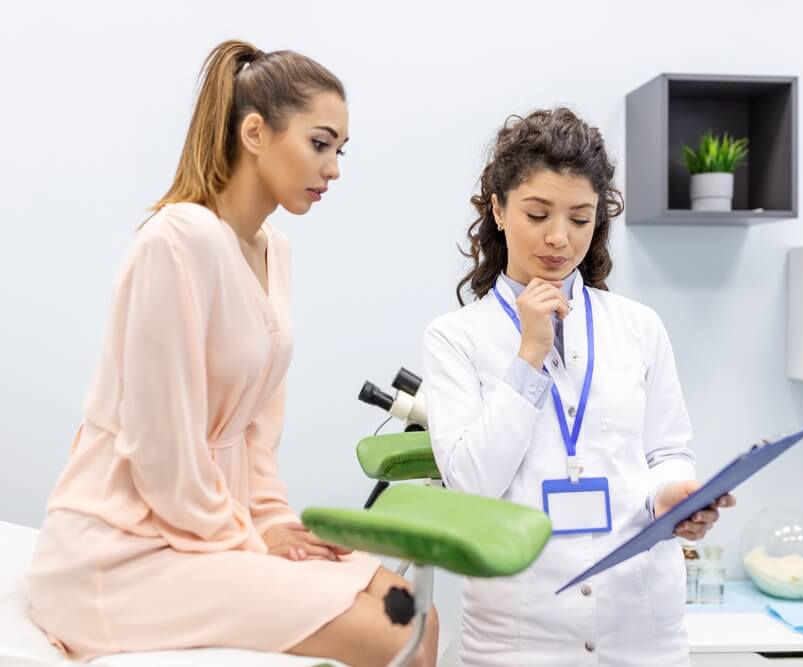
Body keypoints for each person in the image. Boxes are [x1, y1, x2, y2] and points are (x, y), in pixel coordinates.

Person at [27, 39, 438, 667]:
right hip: (119, 550)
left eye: (340, 152)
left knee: (415, 612)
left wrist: (274, 522)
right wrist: (247, 539)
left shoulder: (275, 251)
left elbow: (252, 430)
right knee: (396, 633)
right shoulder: (176, 242)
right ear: (254, 132)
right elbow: (162, 448)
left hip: (206, 530)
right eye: (320, 144)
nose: (333, 170)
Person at [422, 107, 733, 666]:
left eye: (581, 218)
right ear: (497, 209)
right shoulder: (456, 338)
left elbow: (665, 449)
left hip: (641, 630)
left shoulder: (639, 327)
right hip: (517, 639)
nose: (559, 239)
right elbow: (470, 488)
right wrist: (529, 356)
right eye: (537, 214)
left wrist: (672, 496)